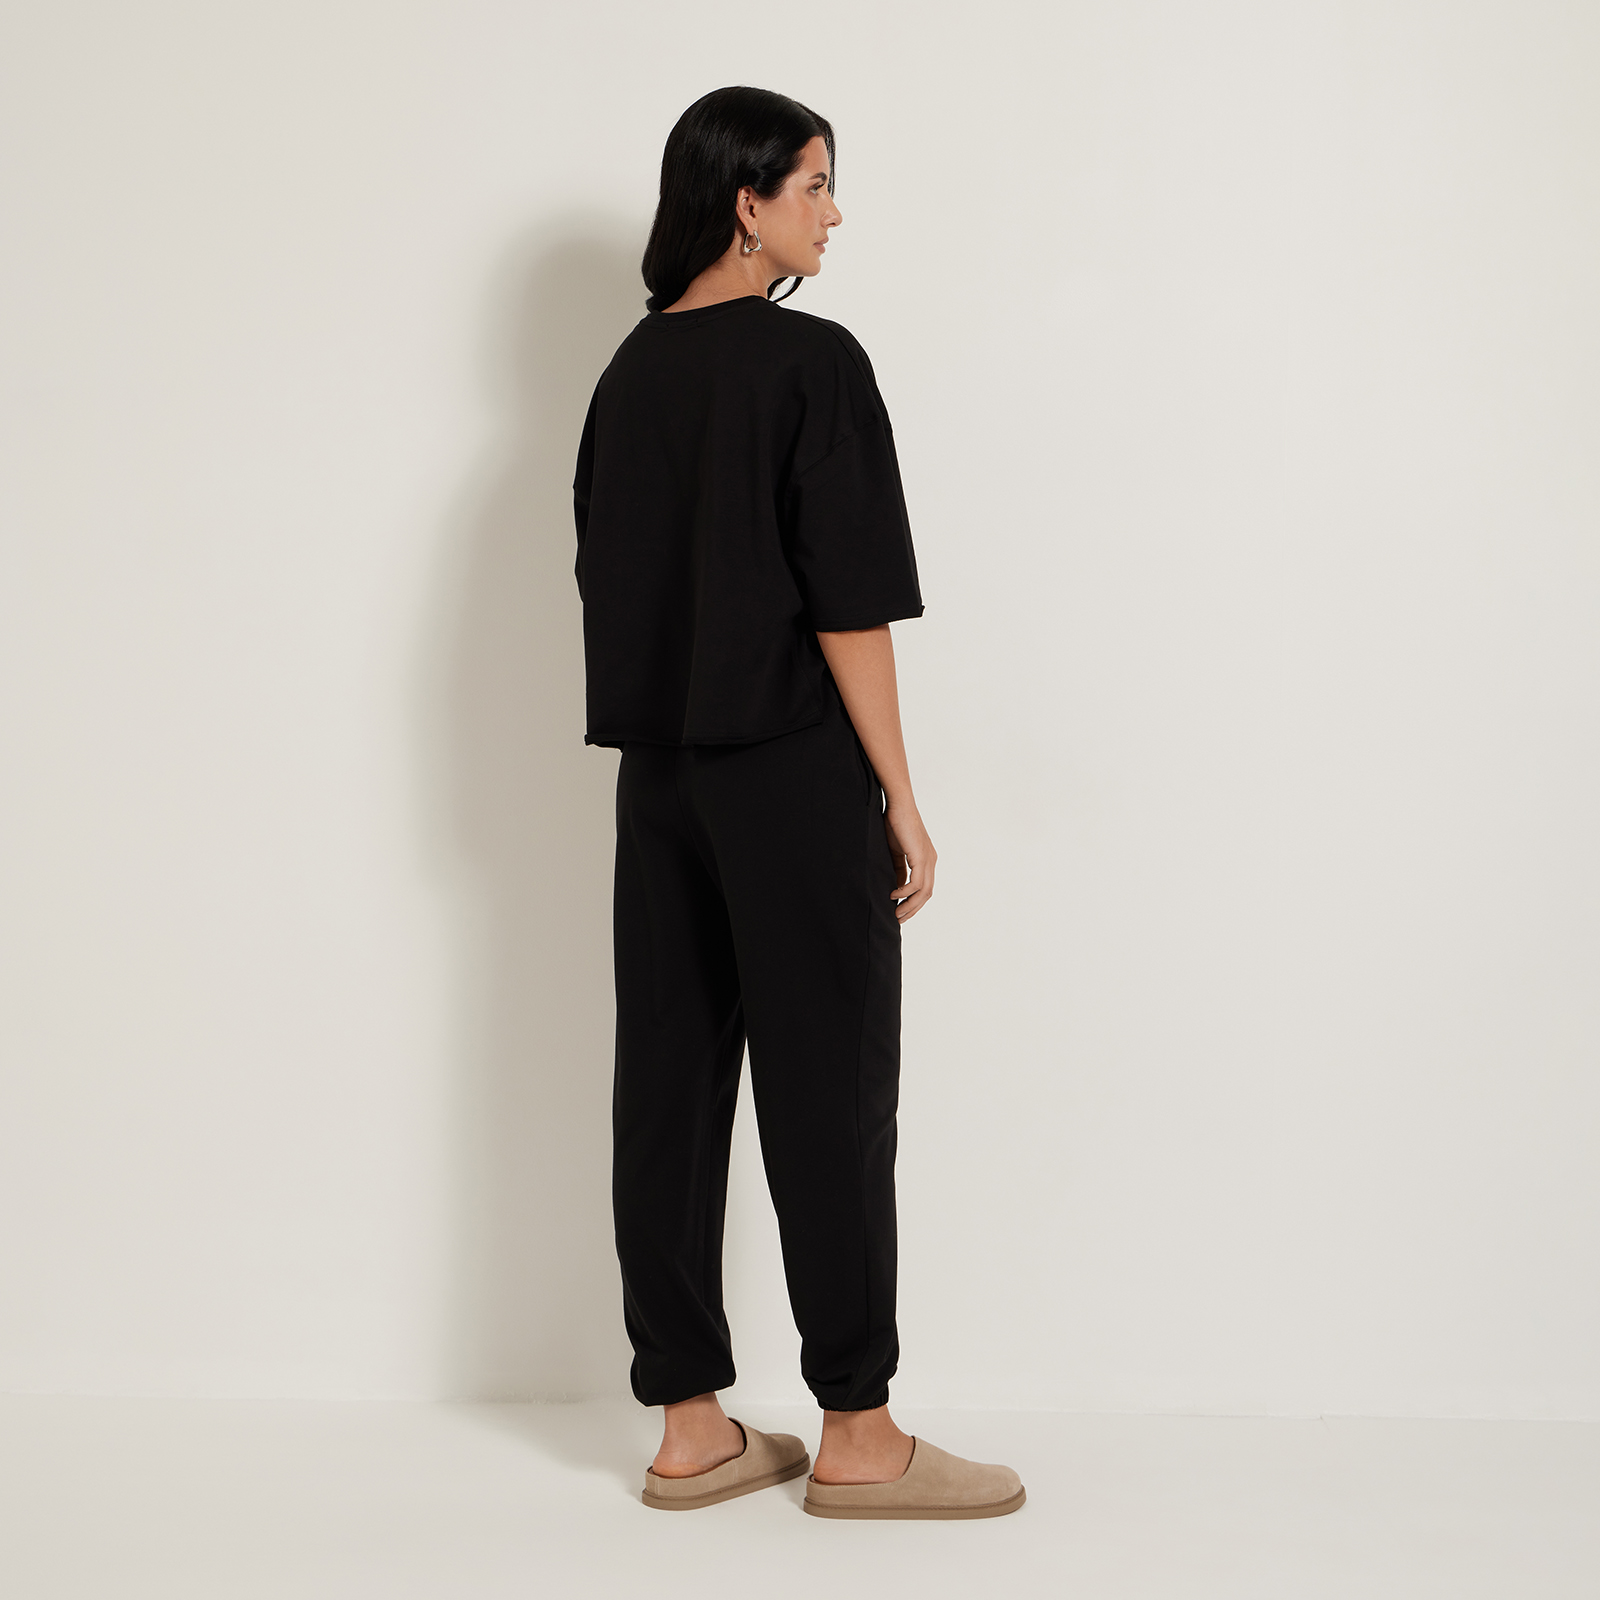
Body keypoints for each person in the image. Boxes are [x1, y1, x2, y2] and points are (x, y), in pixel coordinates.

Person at [571, 85, 1024, 1521]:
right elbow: (848, 601)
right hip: (786, 769)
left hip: (659, 782)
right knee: (828, 1090)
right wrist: (900, 792)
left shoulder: (628, 374)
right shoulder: (811, 363)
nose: (834, 213)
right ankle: (860, 1434)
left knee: (667, 1087)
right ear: (744, 203)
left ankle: (689, 1425)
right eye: (815, 185)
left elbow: (606, 583)